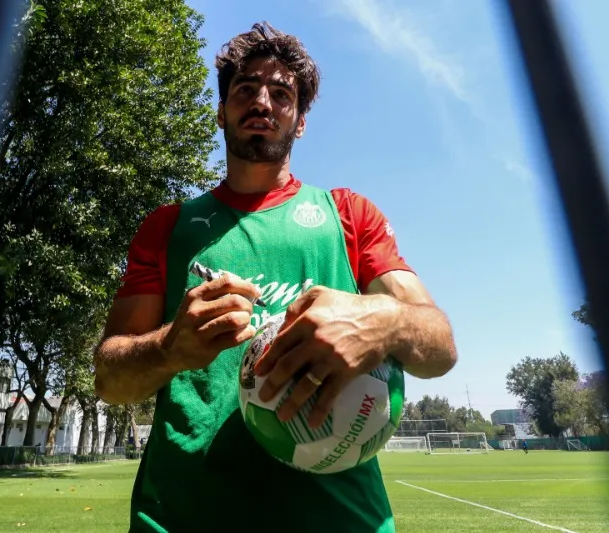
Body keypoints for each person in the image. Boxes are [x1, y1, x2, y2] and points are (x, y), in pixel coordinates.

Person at [94, 22, 458, 533]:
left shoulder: (349, 214)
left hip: (340, 519)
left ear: (301, 120)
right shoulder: (166, 227)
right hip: (180, 517)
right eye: (245, 90)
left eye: (281, 93)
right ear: (221, 112)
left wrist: (385, 322)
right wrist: (169, 349)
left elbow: (440, 346)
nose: (262, 102)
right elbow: (109, 381)